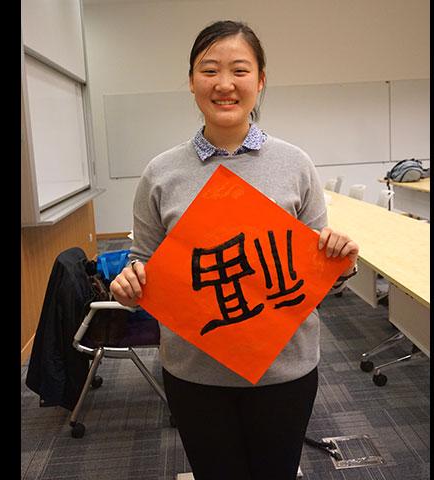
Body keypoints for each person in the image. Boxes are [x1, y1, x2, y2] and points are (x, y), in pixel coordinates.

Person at [109, 20, 359, 480]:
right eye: (209, 70)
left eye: (239, 70)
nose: (224, 84)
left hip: (285, 371)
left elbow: (316, 270)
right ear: (191, 81)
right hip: (195, 373)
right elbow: (142, 263)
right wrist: (129, 283)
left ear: (260, 81)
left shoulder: (295, 164)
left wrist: (339, 263)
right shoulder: (161, 173)